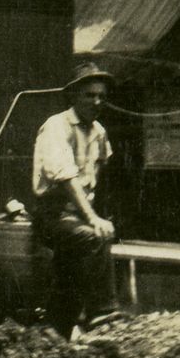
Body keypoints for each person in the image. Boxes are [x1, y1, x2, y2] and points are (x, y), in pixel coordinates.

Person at [30, 62, 123, 338]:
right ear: (73, 95)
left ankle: (57, 329)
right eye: (89, 95)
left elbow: (101, 172)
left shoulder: (99, 132)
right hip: (54, 215)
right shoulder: (57, 127)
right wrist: (93, 218)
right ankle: (102, 311)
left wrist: (99, 214)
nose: (97, 102)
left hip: (79, 214)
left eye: (101, 96)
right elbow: (66, 178)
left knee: (71, 277)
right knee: (92, 238)